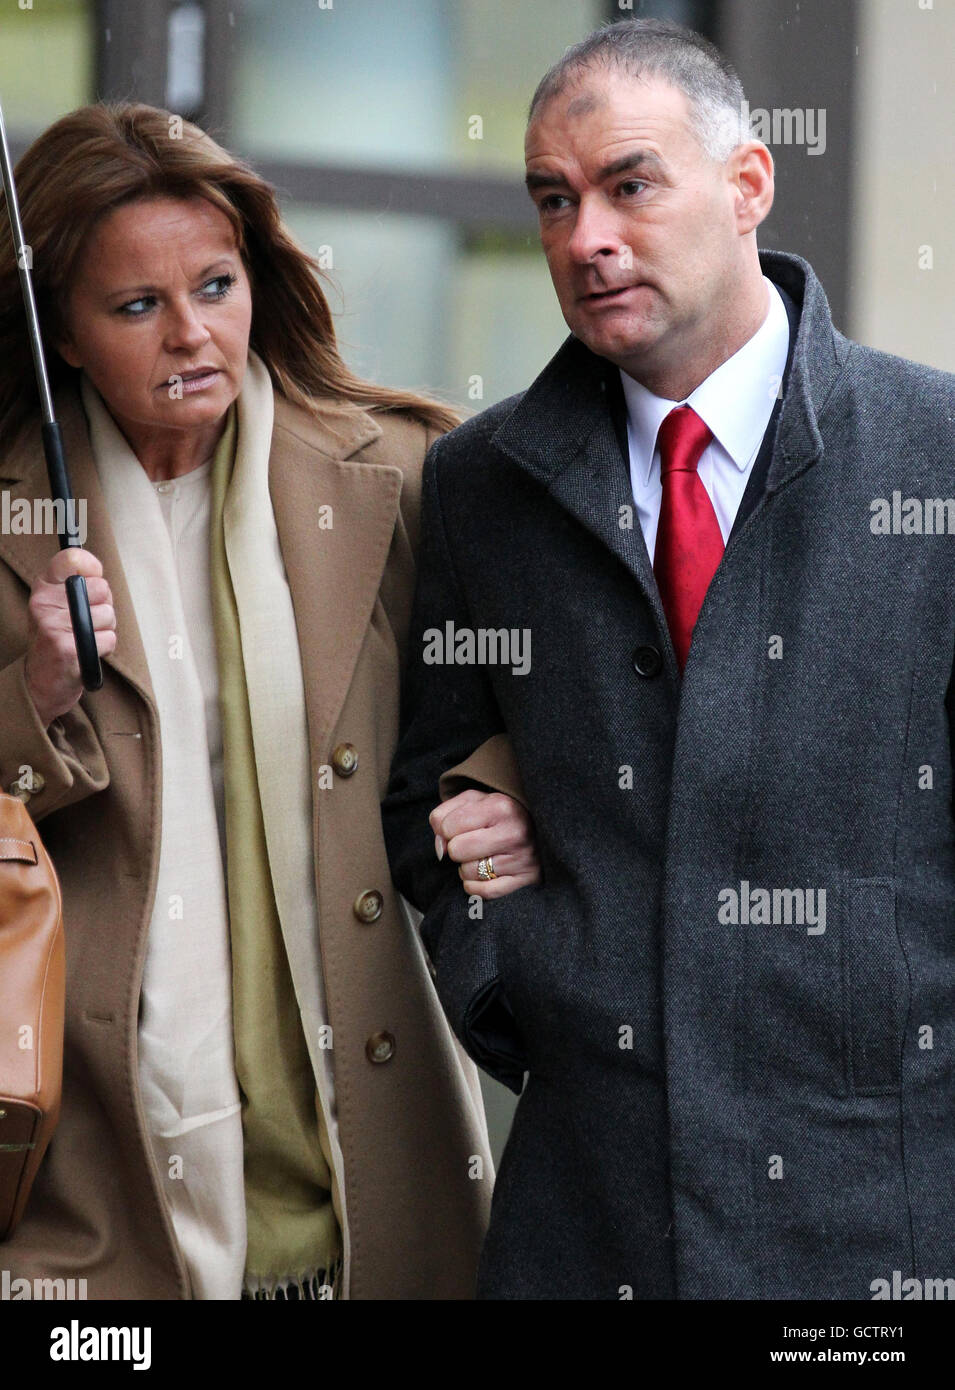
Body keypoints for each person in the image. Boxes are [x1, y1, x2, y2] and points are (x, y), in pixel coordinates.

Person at [383, 17, 955, 1300]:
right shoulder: (481, 484)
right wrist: (521, 973)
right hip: (587, 1215)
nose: (584, 236)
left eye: (628, 183)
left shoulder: (935, 461)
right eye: (551, 199)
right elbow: (426, 802)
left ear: (748, 183)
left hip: (878, 1227)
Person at [0, 101, 540, 1300]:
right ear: (64, 336)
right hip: (91, 1208)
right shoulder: (13, 522)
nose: (192, 334)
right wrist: (33, 701)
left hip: (372, 1185)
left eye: (217, 285)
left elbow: (560, 694)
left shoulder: (397, 474)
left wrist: (493, 791)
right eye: (137, 306)